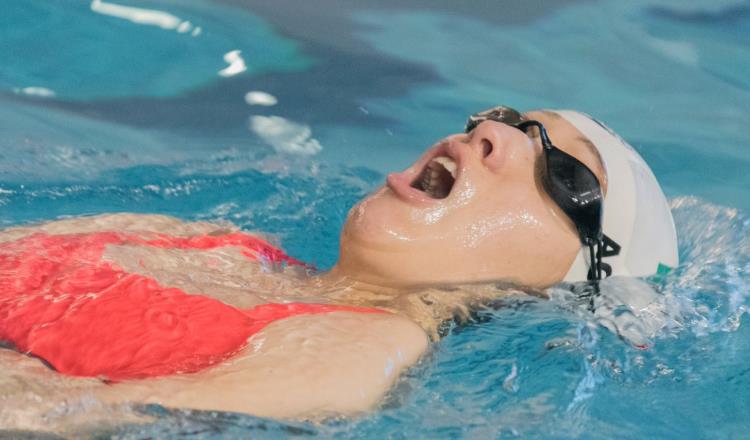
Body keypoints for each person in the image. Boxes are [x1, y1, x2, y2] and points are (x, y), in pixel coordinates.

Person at [0, 106, 678, 429]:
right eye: (504, 119)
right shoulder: (215, 240)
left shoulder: (365, 347)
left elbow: (67, 422)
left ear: (566, 286)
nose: (490, 135)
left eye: (564, 176)